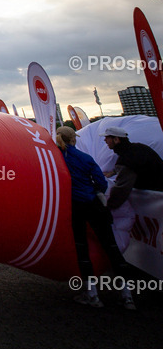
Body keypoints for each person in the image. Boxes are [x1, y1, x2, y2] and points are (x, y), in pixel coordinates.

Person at [57, 126, 134, 309]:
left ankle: (92, 295)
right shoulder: (85, 158)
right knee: (111, 247)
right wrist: (95, 192)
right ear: (73, 139)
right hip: (94, 206)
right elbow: (101, 183)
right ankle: (127, 296)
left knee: (82, 249)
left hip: (74, 208)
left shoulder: (56, 159)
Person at [103, 126, 163, 211]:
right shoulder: (140, 147)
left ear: (116, 139)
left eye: (107, 137)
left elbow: (122, 189)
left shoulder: (126, 159)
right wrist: (113, 172)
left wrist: (108, 207)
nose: (105, 140)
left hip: (156, 198)